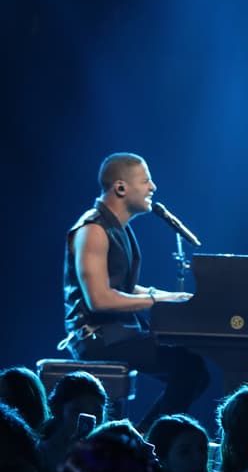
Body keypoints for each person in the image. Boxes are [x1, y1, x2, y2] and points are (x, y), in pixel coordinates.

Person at [61, 153, 210, 432]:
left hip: (118, 334)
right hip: (97, 338)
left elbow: (123, 288)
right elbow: (99, 298)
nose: (153, 187)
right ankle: (148, 438)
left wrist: (169, 298)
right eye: (146, 181)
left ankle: (144, 436)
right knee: (189, 368)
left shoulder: (117, 228)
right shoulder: (93, 230)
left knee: (194, 370)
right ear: (121, 187)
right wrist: (156, 300)